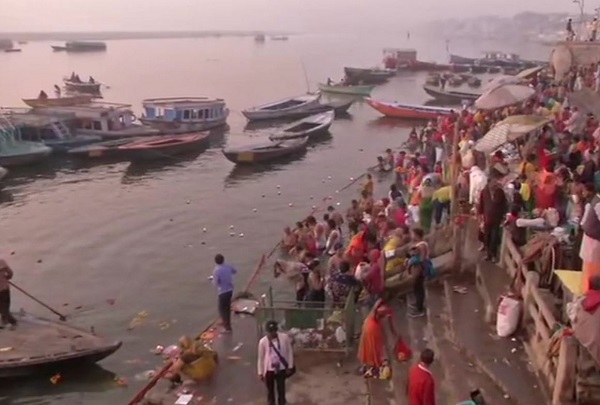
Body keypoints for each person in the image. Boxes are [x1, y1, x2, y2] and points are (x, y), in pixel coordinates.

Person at [258, 320, 294, 405]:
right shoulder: (263, 342)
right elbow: (261, 358)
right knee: (270, 391)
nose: (271, 334)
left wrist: (290, 366)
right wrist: (260, 372)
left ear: (276, 330)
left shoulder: (284, 338)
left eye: (273, 331)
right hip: (269, 369)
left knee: (281, 389)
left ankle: (282, 403)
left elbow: (289, 352)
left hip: (281, 368)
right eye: (269, 332)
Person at [212, 254, 237, 333]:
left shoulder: (216, 270)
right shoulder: (228, 266)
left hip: (222, 291)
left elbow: (215, 283)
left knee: (222, 309)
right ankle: (227, 323)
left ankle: (227, 327)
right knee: (227, 308)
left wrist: (213, 280)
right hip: (230, 290)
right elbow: (235, 271)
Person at [0, 259, 16, 329]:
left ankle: (12, 322)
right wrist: (6, 278)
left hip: (2, 288)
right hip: (5, 288)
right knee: (5, 306)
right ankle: (5, 321)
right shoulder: (2, 262)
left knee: (3, 308)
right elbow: (10, 273)